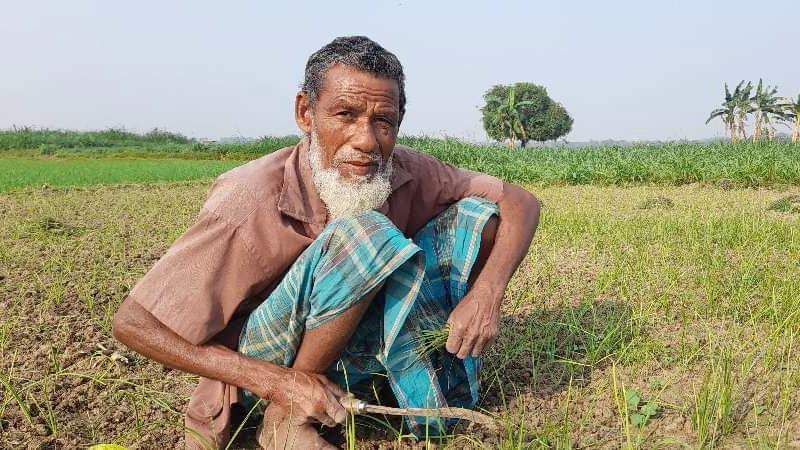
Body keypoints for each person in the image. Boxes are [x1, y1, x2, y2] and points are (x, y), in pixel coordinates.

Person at [112, 36, 540, 450]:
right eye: (345, 115)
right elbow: (133, 323)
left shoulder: (405, 169)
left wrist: (488, 293)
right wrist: (279, 383)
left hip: (345, 343)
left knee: (479, 220)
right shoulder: (249, 197)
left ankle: (386, 379)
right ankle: (284, 421)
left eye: (383, 122)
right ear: (305, 113)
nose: (367, 141)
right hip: (265, 362)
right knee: (366, 232)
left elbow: (519, 200)